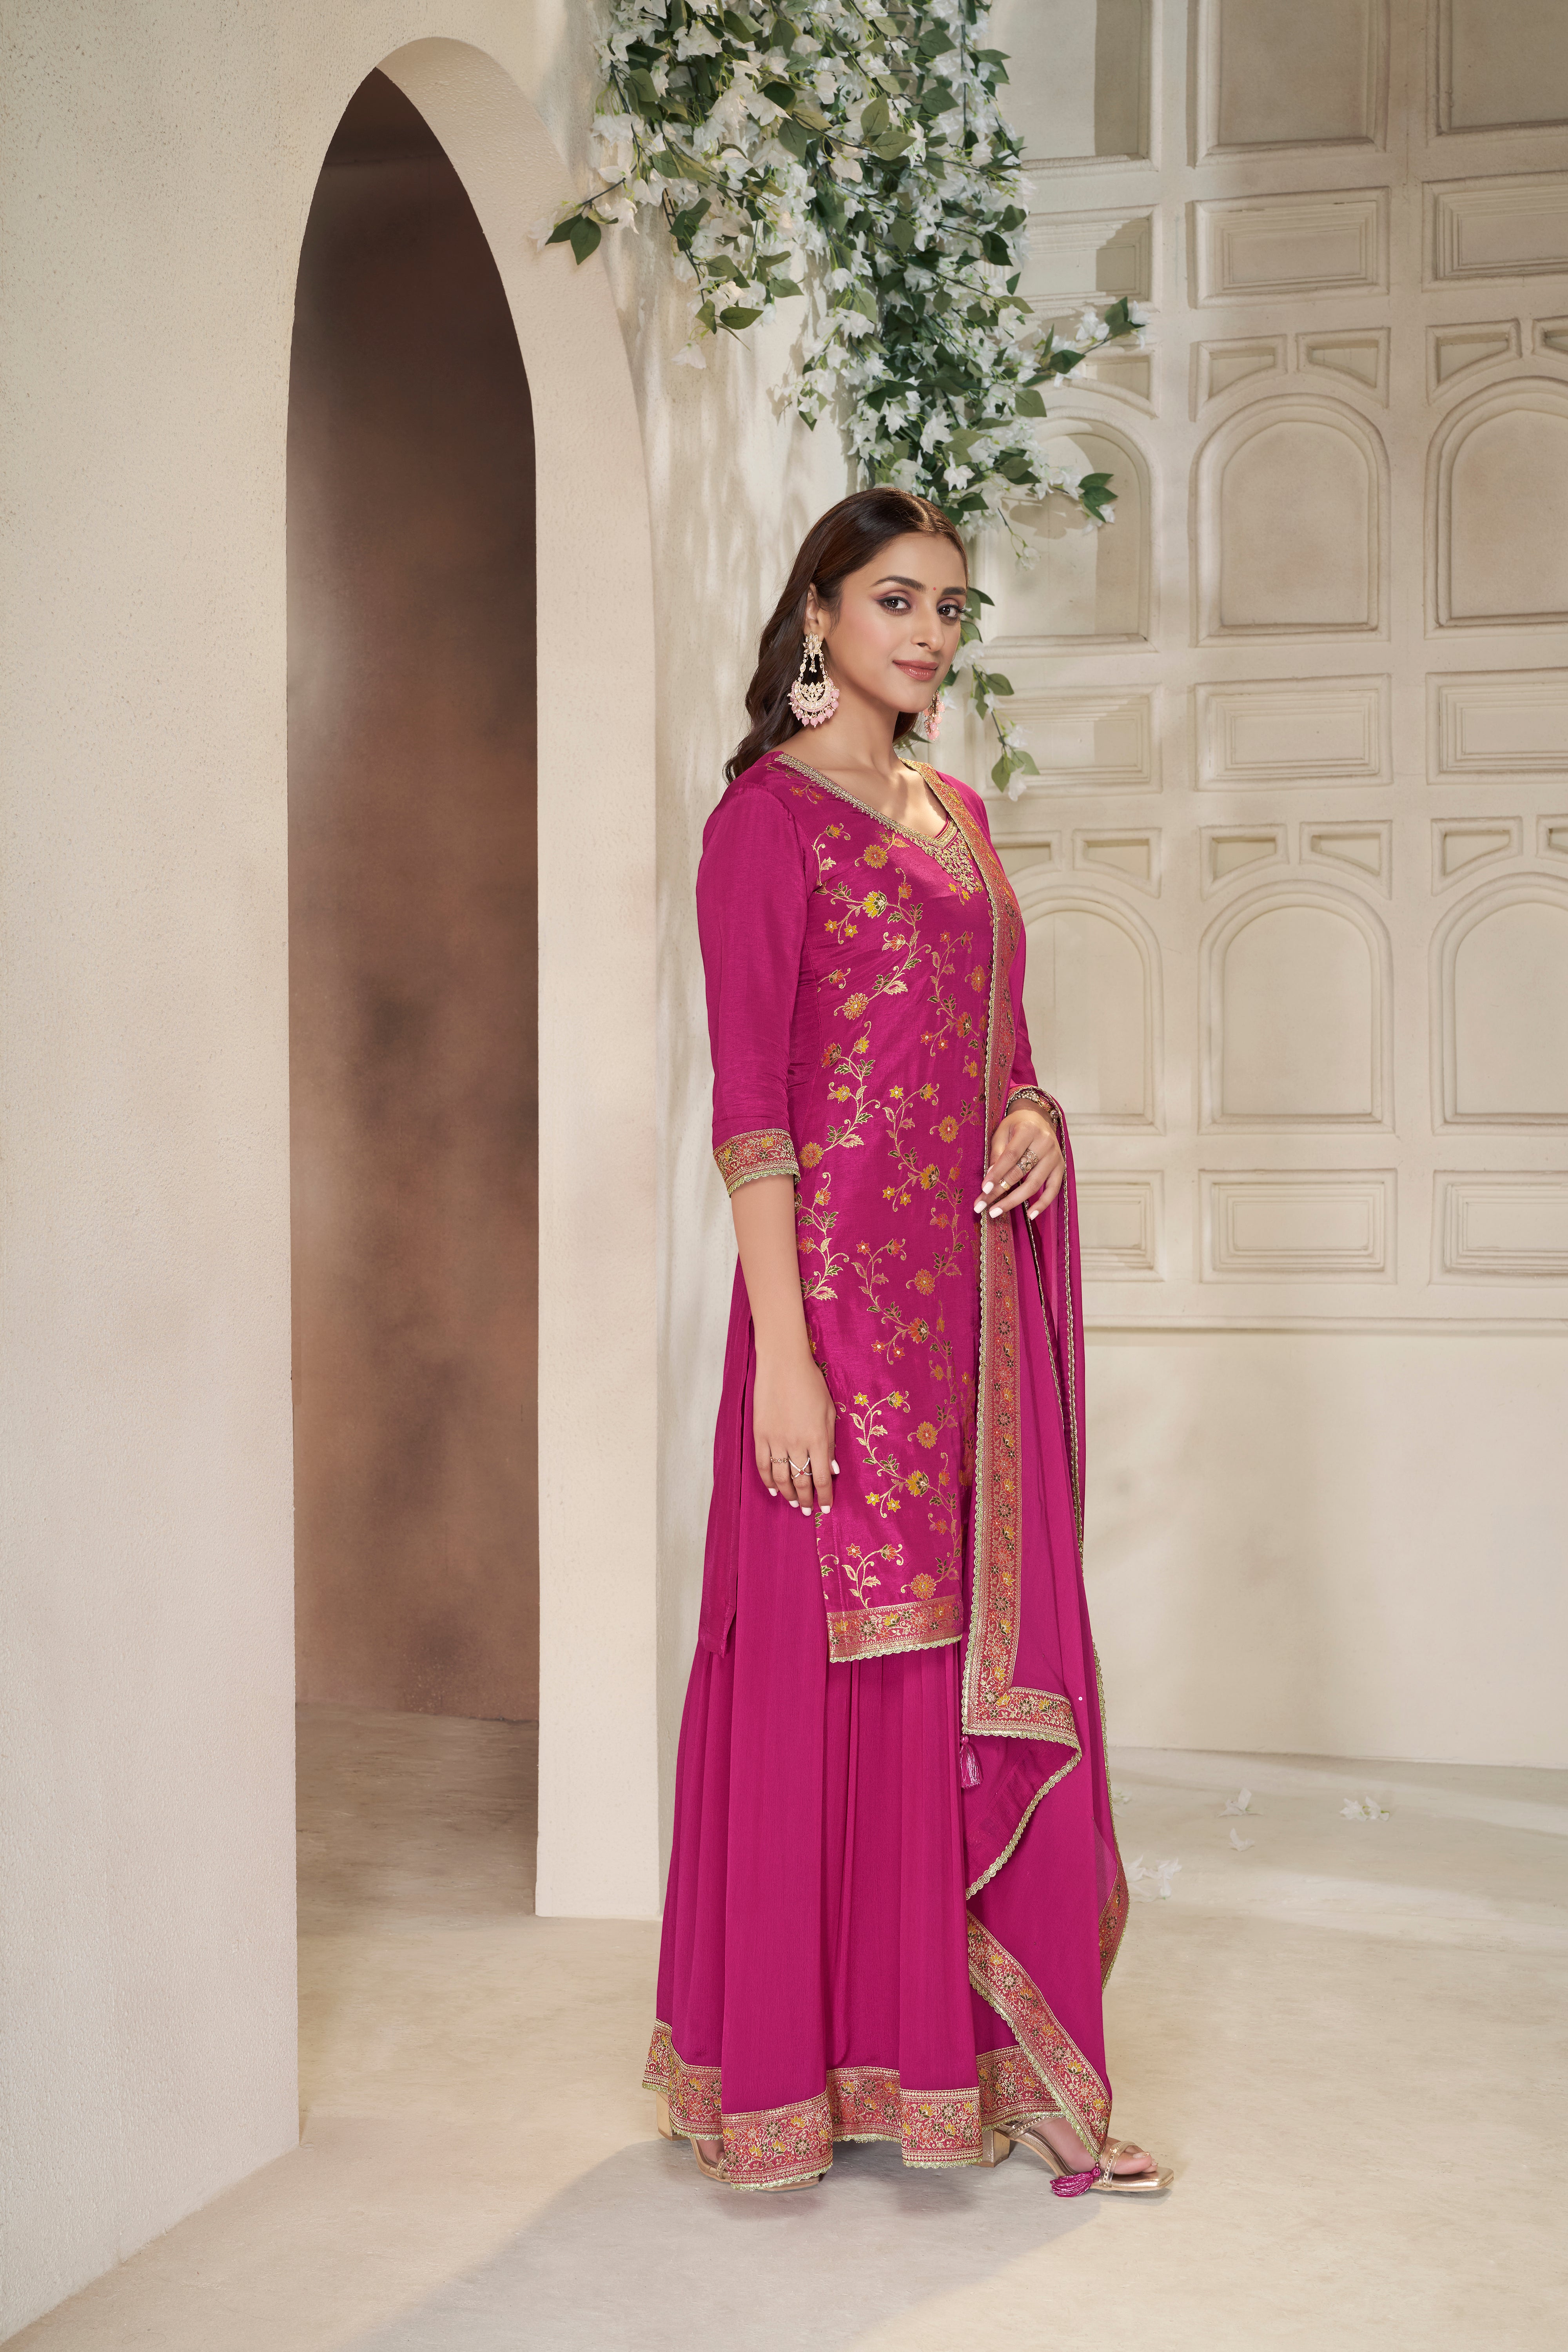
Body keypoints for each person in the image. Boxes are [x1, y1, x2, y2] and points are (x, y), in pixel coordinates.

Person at [644, 486, 1170, 2196]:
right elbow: (752, 1114)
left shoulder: (957, 814)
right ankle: (806, 2078)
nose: (930, 633)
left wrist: (1032, 1118)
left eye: (950, 606)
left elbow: (997, 1050)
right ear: (818, 615)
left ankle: (980, 2065)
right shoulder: (763, 827)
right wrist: (786, 1360)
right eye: (895, 600)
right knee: (842, 1679)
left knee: (965, 1674)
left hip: (969, 1332)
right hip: (836, 1323)